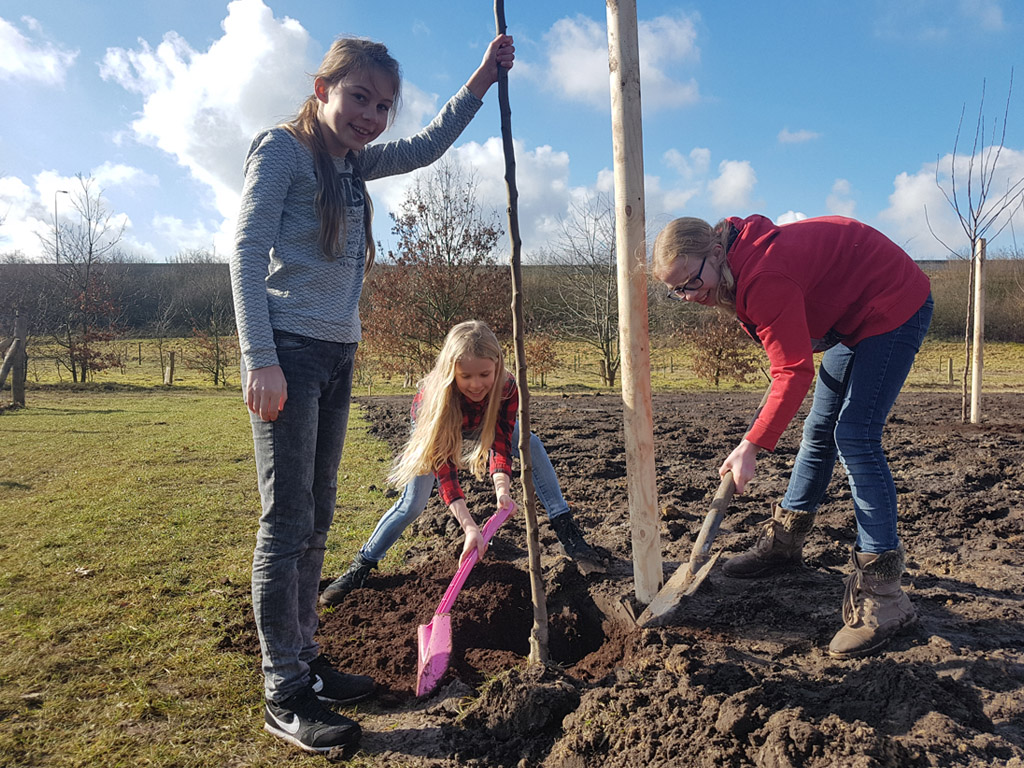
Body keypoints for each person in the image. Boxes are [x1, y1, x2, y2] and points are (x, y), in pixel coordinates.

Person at [230, 34, 514, 755]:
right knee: (287, 520)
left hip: (336, 355)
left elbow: (426, 146)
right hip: (288, 352)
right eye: (359, 97)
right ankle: (283, 690)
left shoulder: (354, 165)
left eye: (383, 104)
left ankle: (306, 659)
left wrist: (481, 79)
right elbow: (245, 248)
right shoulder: (284, 151)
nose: (372, 115)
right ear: (320, 88)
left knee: (319, 514)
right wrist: (259, 358)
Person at [652, 214, 932, 659]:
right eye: (677, 290)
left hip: (892, 303)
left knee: (855, 434)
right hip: (850, 316)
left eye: (691, 281)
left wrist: (751, 445)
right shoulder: (738, 266)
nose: (688, 296)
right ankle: (784, 544)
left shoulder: (763, 275)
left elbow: (793, 371)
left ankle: (885, 594)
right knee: (820, 428)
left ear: (716, 252)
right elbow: (792, 350)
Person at [320, 320, 604, 606]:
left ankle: (567, 530)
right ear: (451, 371)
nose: (476, 384)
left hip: (483, 422)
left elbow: (502, 441)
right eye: (465, 376)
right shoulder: (434, 399)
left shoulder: (506, 388)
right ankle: (361, 566)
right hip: (435, 424)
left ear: (497, 366)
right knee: (413, 503)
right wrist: (469, 526)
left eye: (484, 374)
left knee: (531, 442)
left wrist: (502, 491)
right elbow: (445, 468)